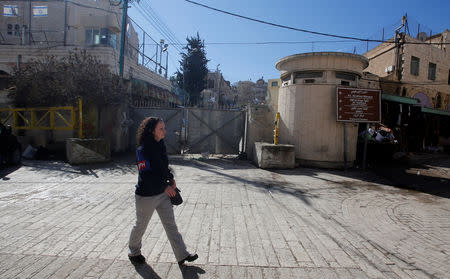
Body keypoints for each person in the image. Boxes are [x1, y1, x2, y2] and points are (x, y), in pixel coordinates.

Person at [128, 117, 198, 266]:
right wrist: (163, 185)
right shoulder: (142, 150)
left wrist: (170, 179)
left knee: (170, 224)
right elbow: (146, 175)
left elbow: (163, 167)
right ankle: (134, 252)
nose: (164, 131)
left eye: (164, 128)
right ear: (152, 130)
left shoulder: (160, 145)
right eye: (161, 128)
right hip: (146, 196)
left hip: (161, 194)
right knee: (141, 225)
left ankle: (182, 255)